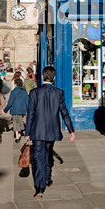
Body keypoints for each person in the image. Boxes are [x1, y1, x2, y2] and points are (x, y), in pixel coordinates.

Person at [25, 66, 75, 198]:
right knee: (48, 154)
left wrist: (27, 132)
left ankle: (40, 188)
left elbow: (31, 114)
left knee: (38, 157)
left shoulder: (34, 93)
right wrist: (71, 130)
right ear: (54, 78)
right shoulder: (58, 92)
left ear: (42, 77)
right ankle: (47, 178)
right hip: (52, 130)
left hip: (37, 130)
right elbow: (64, 112)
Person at [2, 78, 29, 143]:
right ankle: (19, 134)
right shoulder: (24, 91)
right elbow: (27, 101)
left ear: (15, 84)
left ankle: (17, 137)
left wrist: (5, 110)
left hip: (15, 109)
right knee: (19, 121)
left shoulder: (13, 92)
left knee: (16, 122)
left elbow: (10, 103)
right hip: (22, 109)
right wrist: (28, 110)